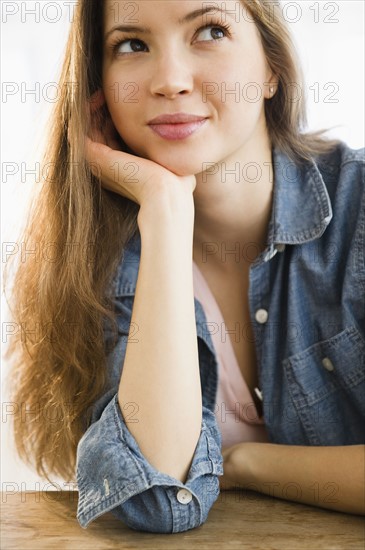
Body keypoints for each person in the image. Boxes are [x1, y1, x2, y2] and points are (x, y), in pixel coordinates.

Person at [5, 0, 364, 534]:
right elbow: (156, 495)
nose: (170, 80)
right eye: (131, 45)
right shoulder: (99, 261)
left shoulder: (355, 214)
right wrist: (165, 210)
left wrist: (240, 464)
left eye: (211, 31)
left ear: (271, 68)